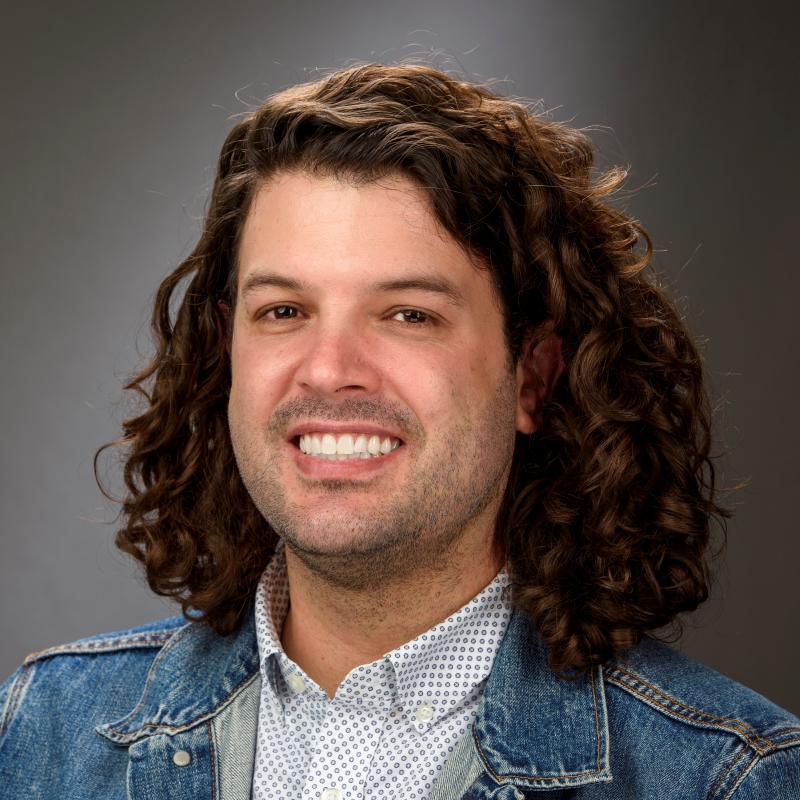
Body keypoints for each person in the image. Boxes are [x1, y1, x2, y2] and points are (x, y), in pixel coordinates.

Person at [1, 63, 798, 799]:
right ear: (227, 355)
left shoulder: (731, 781)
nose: (328, 369)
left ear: (534, 376)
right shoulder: (40, 733)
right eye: (284, 311)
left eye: (409, 315)